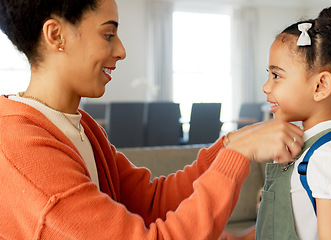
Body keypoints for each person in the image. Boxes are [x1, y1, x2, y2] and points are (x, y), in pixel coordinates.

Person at [0, 0, 305, 239]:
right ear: (57, 35)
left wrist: (229, 145)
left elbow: (152, 202)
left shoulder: (83, 128)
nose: (121, 51)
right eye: (108, 34)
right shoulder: (23, 149)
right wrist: (238, 156)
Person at [220, 2, 331, 240]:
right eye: (268, 75)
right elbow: (297, 221)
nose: (266, 86)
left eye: (276, 75)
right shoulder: (310, 148)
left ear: (321, 86)